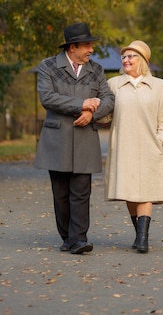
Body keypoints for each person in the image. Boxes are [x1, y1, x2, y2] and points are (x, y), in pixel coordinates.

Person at [34, 22, 115, 255]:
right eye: (87, 45)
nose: (91, 50)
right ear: (72, 47)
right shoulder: (48, 66)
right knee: (60, 194)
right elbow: (47, 98)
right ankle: (67, 238)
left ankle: (79, 238)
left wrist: (91, 114)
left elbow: (108, 98)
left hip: (84, 137)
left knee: (81, 191)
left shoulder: (96, 70)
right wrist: (80, 104)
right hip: (56, 138)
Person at [104, 40, 163, 253]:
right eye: (124, 57)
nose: (126, 60)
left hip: (149, 147)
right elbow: (106, 114)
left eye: (131, 56)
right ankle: (138, 233)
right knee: (130, 191)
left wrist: (161, 143)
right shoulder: (113, 85)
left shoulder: (161, 86)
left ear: (142, 60)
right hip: (123, 146)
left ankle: (143, 238)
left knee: (145, 192)